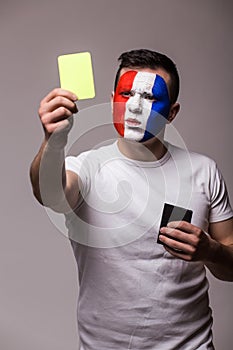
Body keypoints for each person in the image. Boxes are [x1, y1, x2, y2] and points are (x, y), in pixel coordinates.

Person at [30, 49, 233, 349]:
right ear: (114, 100)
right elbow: (50, 193)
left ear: (172, 112)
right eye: (127, 94)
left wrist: (211, 251)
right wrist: (53, 141)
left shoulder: (204, 171)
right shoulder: (86, 168)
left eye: (150, 98)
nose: (135, 107)